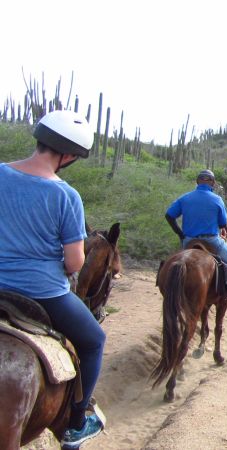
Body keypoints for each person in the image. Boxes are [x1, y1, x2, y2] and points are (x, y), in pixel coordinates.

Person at [0, 110, 105, 448]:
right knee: (94, 341)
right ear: (69, 155)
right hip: (43, 292)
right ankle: (77, 422)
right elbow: (74, 262)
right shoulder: (65, 196)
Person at [164, 169, 227, 313]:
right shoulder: (217, 199)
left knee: (175, 262)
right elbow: (223, 223)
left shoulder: (185, 198)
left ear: (197, 181)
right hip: (212, 240)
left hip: (188, 240)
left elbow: (169, 215)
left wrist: (180, 233)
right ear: (213, 183)